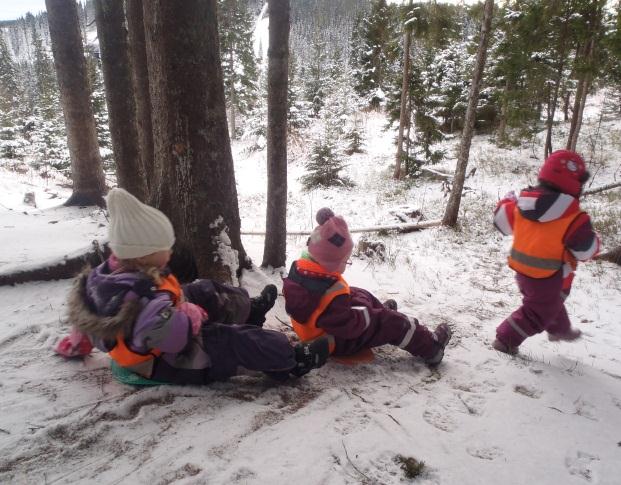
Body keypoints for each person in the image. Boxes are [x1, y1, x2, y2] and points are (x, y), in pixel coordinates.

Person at [55, 188, 329, 384]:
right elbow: (174, 338)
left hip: (160, 325)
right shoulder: (142, 298)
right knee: (227, 340)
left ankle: (249, 311)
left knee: (204, 289)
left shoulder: (104, 279)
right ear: (142, 255)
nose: (170, 253)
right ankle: (289, 360)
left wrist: (75, 345)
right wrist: (188, 315)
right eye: (165, 248)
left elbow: (85, 321)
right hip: (166, 361)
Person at [282, 207, 452, 366]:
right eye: (345, 260)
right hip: (335, 341)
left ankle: (380, 314)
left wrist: (364, 307)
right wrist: (371, 317)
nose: (346, 264)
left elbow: (327, 304)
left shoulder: (301, 268)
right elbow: (348, 326)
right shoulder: (332, 293)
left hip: (313, 331)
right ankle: (431, 347)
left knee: (358, 293)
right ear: (330, 262)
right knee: (392, 322)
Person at [492, 150, 600, 355]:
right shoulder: (574, 217)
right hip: (550, 275)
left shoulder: (522, 203)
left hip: (522, 271)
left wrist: (505, 201)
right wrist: (595, 242)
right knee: (537, 312)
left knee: (550, 302)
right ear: (576, 183)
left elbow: (501, 223)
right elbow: (585, 251)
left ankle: (559, 329)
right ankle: (505, 339)